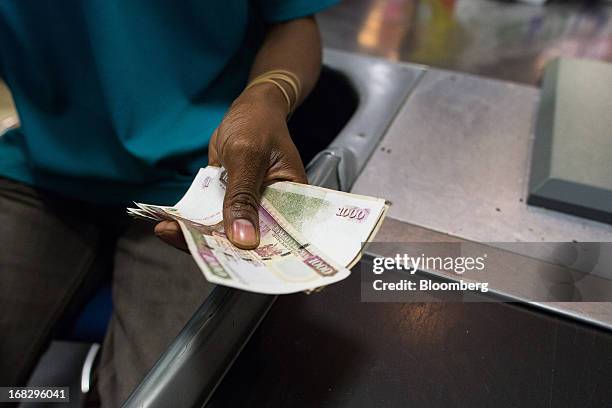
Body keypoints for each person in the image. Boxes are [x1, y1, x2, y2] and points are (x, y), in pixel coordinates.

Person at [0, 0, 337, 405]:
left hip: (205, 178)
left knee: (153, 396)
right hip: (40, 166)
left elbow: (293, 20)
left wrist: (269, 93)